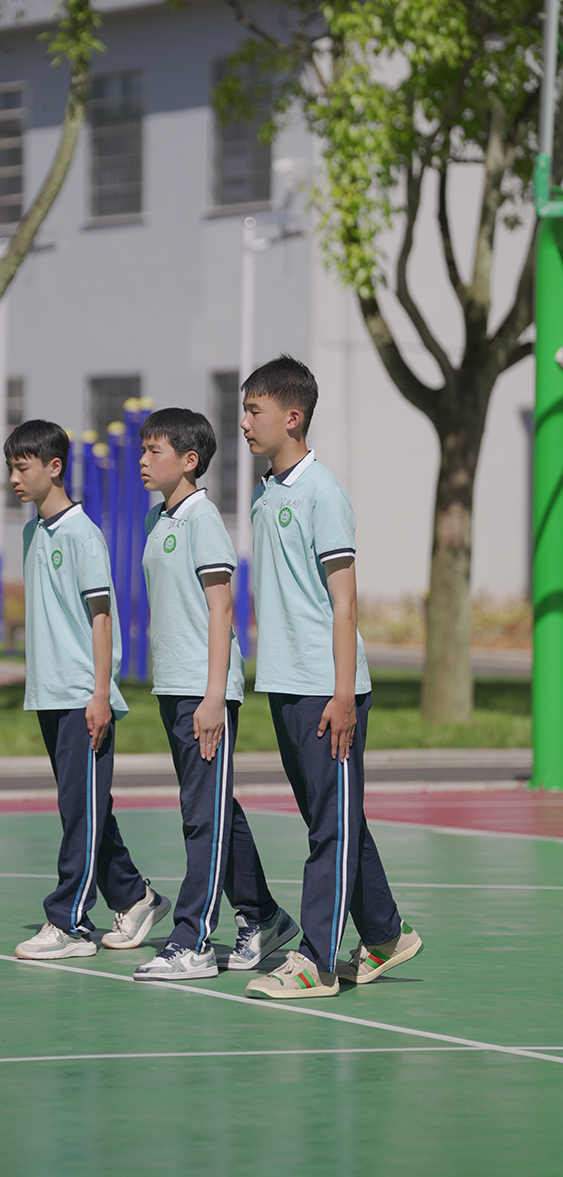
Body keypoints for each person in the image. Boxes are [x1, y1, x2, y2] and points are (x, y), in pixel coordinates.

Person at [238, 357, 422, 1000]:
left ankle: (315, 961)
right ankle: (386, 935)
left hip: (327, 688)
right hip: (286, 683)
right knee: (332, 817)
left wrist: (344, 695)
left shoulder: (323, 494)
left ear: (292, 417)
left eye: (254, 411)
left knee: (330, 828)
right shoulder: (266, 492)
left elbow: (345, 604)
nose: (244, 423)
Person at [131, 407, 297, 982]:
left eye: (154, 450)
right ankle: (264, 916)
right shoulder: (158, 520)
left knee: (202, 820)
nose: (143, 460)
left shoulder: (202, 519)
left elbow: (222, 609)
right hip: (172, 687)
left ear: (189, 460)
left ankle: (192, 939)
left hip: (203, 693)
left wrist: (212, 698)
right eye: (143, 449)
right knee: (214, 809)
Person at [6, 419, 170, 961]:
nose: (13, 478)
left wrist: (100, 694)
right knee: (83, 808)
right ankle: (134, 896)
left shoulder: (83, 535)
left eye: (22, 467)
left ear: (54, 467)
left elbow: (103, 618)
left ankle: (69, 923)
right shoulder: (32, 533)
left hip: (82, 696)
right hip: (48, 694)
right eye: (10, 468)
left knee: (81, 810)